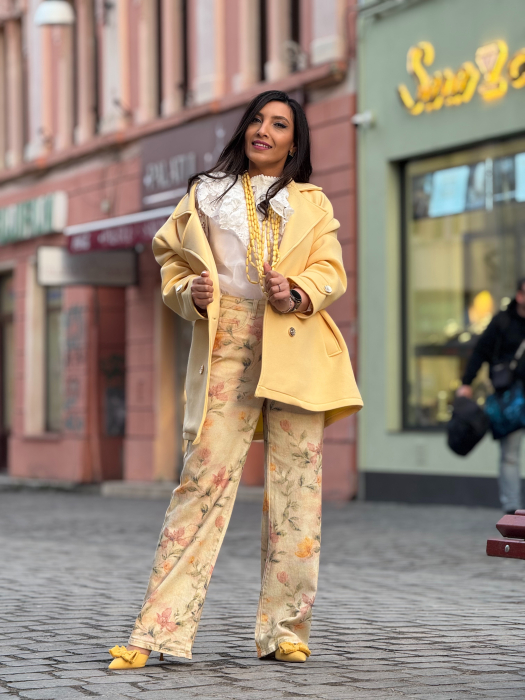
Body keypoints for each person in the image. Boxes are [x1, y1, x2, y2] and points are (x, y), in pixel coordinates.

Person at [108, 90, 363, 670]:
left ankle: (285, 630)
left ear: (294, 143)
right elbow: (170, 262)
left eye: (279, 124)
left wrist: (297, 291)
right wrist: (189, 293)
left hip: (296, 346)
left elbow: (331, 271)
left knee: (297, 492)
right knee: (202, 481)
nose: (264, 130)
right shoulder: (205, 194)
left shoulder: (313, 203)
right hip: (227, 344)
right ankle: (156, 631)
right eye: (257, 119)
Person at [457, 278, 525, 514]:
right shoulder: (502, 322)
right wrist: (466, 383)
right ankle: (512, 508)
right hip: (510, 400)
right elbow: (480, 352)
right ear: (519, 295)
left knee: (510, 455)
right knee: (510, 455)